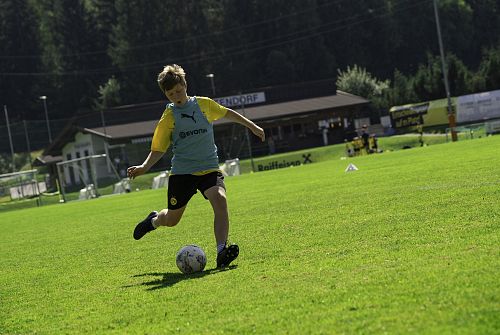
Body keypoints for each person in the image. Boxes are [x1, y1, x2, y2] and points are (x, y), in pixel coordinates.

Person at [127, 64, 265, 268]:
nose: (176, 96)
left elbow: (228, 113)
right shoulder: (169, 117)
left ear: (185, 84)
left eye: (179, 91)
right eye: (171, 94)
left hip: (209, 168)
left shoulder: (203, 105)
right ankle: (153, 221)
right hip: (183, 173)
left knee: (220, 199)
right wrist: (144, 167)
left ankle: (221, 251)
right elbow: (158, 148)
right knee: (172, 220)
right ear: (166, 94)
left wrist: (253, 126)